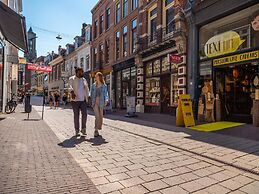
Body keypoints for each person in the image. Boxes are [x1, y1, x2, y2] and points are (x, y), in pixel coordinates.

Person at [69, 67, 89, 137]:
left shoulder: (84, 79)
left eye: (82, 72)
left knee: (85, 114)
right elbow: (70, 86)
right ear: (76, 72)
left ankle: (83, 129)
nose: (81, 73)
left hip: (83, 100)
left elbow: (87, 88)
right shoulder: (72, 78)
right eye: (80, 72)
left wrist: (88, 96)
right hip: (75, 101)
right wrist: (72, 91)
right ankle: (77, 130)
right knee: (76, 116)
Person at [90, 72, 109, 137]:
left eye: (97, 76)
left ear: (100, 77)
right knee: (97, 116)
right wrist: (90, 100)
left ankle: (98, 128)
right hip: (95, 102)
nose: (95, 77)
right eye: (95, 76)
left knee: (100, 116)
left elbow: (106, 94)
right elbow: (91, 93)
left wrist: (106, 100)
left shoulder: (104, 85)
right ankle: (96, 130)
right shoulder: (93, 85)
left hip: (101, 102)